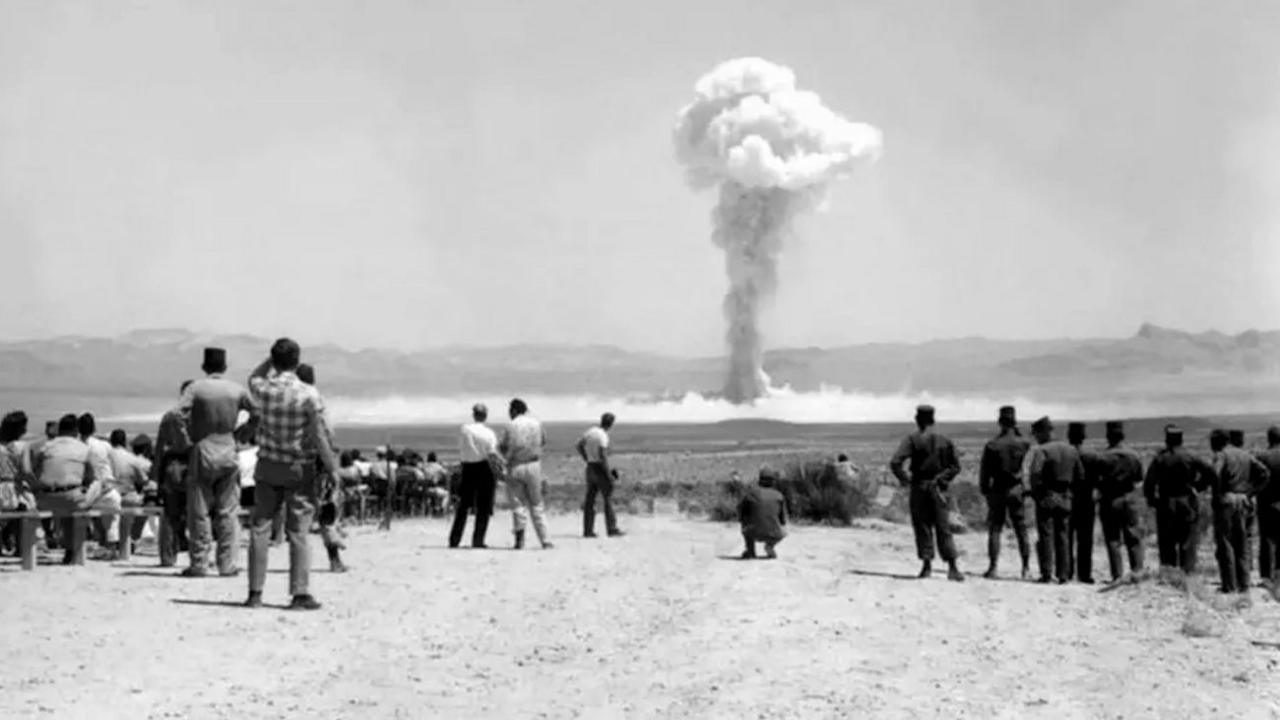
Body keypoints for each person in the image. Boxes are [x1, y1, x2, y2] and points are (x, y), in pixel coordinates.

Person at [245, 338, 338, 610]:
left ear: (273, 361)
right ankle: (299, 592)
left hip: (267, 464)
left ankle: (255, 593)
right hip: (298, 467)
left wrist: (270, 362)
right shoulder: (308, 393)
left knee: (260, 527)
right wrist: (331, 468)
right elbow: (319, 435)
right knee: (298, 531)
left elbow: (253, 376)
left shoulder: (262, 388)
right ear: (297, 361)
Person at [178, 347, 257, 578]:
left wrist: (186, 438)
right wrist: (243, 433)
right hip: (228, 448)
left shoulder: (196, 388)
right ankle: (226, 563)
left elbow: (177, 414)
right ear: (224, 366)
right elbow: (258, 412)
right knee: (227, 511)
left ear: (204, 367)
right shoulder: (236, 390)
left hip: (203, 449)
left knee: (199, 511)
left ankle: (200, 563)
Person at [30, 414, 122, 564]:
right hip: (71, 499)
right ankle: (75, 547)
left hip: (44, 499)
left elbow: (35, 470)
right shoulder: (84, 448)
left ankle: (61, 543)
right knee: (97, 486)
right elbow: (90, 476)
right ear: (75, 430)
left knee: (69, 503)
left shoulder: (45, 447)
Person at [889, 405, 964, 581]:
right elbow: (956, 466)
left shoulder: (912, 439)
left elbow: (895, 462)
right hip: (939, 489)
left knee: (922, 527)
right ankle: (952, 567)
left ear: (917, 419)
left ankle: (926, 566)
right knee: (943, 527)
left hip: (919, 487)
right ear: (933, 420)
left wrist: (905, 480)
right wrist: (942, 479)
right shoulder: (945, 440)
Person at [1143, 424, 1214, 574]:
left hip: (1166, 502)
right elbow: (1211, 473)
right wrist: (1198, 487)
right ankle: (1188, 575)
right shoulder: (1191, 456)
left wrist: (1153, 501)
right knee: (1187, 540)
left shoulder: (1160, 458)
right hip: (1187, 501)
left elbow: (1149, 483)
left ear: (1167, 440)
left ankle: (1169, 575)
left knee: (1167, 542)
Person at [297, 363, 347, 573]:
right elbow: (325, 434)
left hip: (293, 460)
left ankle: (299, 560)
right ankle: (334, 557)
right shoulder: (316, 400)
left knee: (298, 511)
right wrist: (332, 466)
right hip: (318, 462)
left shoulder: (289, 399)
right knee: (326, 510)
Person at [1208, 428, 1269, 593]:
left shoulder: (1222, 455)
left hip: (1227, 500)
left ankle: (1229, 585)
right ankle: (1244, 583)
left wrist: (1217, 490)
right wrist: (1252, 492)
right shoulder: (1245, 454)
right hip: (1244, 500)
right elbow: (1264, 473)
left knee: (1226, 542)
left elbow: (1214, 471)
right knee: (1242, 542)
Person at [1025, 417, 1082, 584]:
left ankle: (1047, 573)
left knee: (1046, 535)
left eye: (1036, 434)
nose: (1035, 437)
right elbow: (1080, 475)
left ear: (1043, 432)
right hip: (1066, 496)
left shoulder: (1042, 451)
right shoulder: (1071, 450)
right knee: (1063, 536)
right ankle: (1064, 574)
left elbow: (1035, 474)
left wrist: (1037, 495)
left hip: (1047, 495)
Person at [978, 405, 1031, 579]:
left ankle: (993, 567)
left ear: (1000, 422)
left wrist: (985, 490)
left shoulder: (992, 445)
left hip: (997, 490)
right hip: (1016, 489)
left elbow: (984, 472)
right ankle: (1026, 568)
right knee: (1021, 529)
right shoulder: (1024, 443)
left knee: (995, 529)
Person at [499, 398, 553, 550]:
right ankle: (545, 540)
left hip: (515, 465)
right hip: (534, 464)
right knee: (537, 504)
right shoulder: (536, 423)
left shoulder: (510, 425)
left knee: (518, 505)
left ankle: (519, 540)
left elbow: (503, 445)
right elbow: (543, 441)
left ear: (514, 410)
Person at [1096, 421, 1146, 581]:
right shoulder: (1134, 455)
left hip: (1109, 499)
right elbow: (1139, 478)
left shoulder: (1102, 457)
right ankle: (1137, 572)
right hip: (1129, 498)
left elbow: (1097, 480)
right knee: (1133, 536)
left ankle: (1117, 574)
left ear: (1108, 437)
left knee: (1113, 539)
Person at [152, 380, 194, 567]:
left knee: (170, 514)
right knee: (198, 513)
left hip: (172, 467)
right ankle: (198, 556)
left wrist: (154, 477)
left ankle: (168, 557)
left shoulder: (169, 416)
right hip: (194, 466)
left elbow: (159, 448)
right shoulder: (201, 417)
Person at [451, 403, 502, 549]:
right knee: (484, 507)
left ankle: (455, 539)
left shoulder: (465, 429)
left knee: (463, 506)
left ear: (474, 414)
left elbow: (462, 446)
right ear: (485, 416)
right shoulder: (490, 433)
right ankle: (478, 540)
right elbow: (492, 454)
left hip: (468, 467)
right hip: (484, 468)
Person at [78, 413, 120, 553]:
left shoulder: (78, 446)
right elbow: (114, 466)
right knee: (112, 520)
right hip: (109, 488)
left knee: (85, 512)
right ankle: (111, 546)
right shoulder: (105, 445)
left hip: (90, 490)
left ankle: (97, 541)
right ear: (94, 428)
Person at [578, 412, 624, 539]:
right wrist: (608, 474)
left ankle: (588, 530)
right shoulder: (603, 436)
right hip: (599, 468)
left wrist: (586, 458)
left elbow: (579, 445)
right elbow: (602, 455)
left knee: (590, 499)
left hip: (590, 467)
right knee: (607, 498)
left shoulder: (590, 431)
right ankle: (611, 528)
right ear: (611, 424)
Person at [1065, 422, 1101, 583]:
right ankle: (1084, 574)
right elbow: (1098, 479)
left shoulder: (1064, 454)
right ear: (1084, 436)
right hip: (1087, 500)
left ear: (1069, 436)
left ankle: (1066, 571)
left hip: (1067, 498)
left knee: (1066, 537)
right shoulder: (1092, 455)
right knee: (1085, 539)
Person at [107, 428, 153, 552]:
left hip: (107, 496)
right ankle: (133, 537)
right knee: (149, 504)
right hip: (128, 497)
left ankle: (106, 541)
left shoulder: (105, 455)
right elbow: (144, 481)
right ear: (124, 442)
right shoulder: (133, 459)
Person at [0, 411, 37, 556]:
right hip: (13, 487)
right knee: (27, 508)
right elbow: (26, 470)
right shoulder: (22, 446)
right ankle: (22, 547)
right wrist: (36, 484)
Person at [738, 467, 787, 559]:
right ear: (773, 481)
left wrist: (744, 520)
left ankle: (750, 551)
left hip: (753, 532)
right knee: (784, 532)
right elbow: (783, 520)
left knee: (745, 526)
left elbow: (741, 512)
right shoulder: (779, 496)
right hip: (774, 534)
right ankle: (770, 546)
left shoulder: (751, 494)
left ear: (759, 480)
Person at [1256, 426, 1280, 583]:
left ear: (1269, 438)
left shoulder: (1262, 456)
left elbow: (1256, 479)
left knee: (1267, 539)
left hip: (1267, 502)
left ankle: (1266, 576)